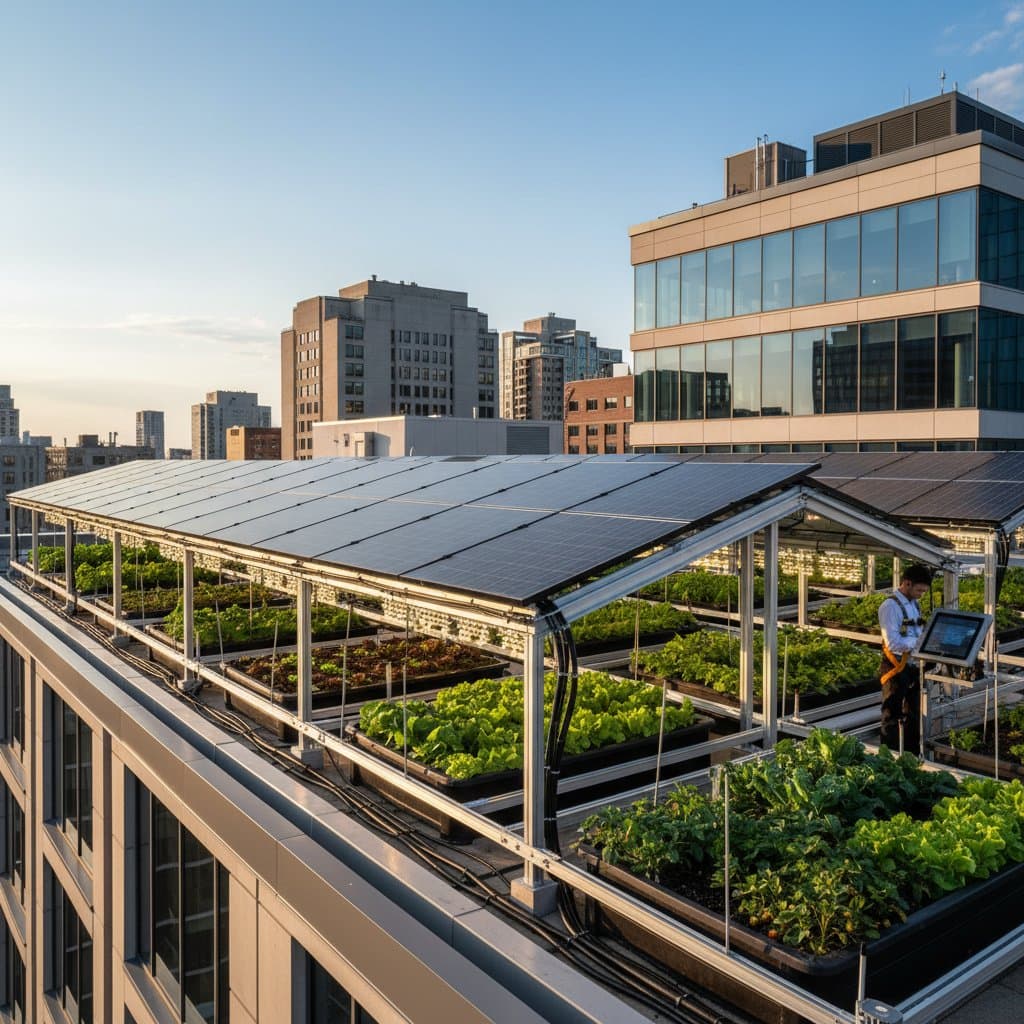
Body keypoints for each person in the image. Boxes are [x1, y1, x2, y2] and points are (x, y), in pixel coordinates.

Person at [878, 563, 933, 753]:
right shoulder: (890, 606)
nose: (921, 594)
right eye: (919, 590)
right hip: (895, 667)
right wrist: (918, 644)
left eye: (924, 591)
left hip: (913, 666)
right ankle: (889, 754)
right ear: (907, 583)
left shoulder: (913, 604)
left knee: (914, 712)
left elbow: (915, 630)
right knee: (891, 712)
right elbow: (892, 642)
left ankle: (911, 752)